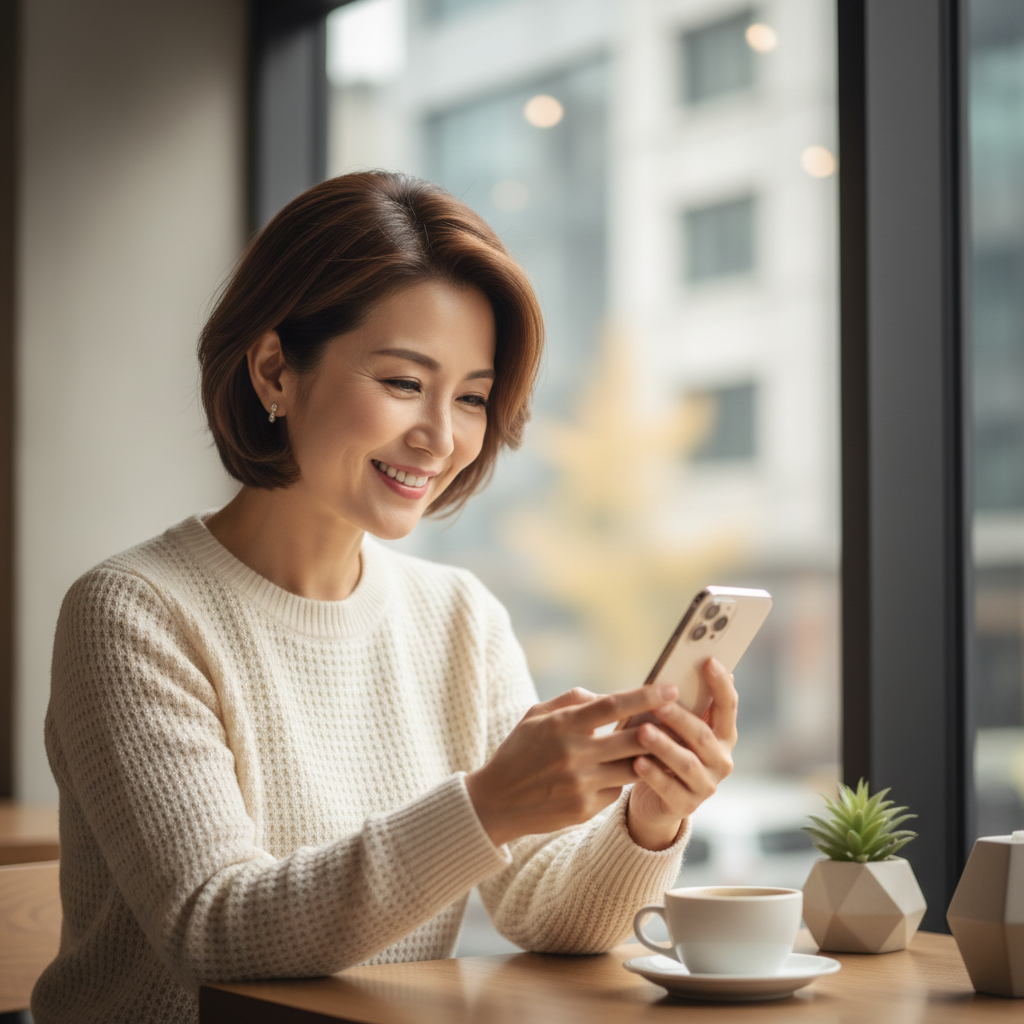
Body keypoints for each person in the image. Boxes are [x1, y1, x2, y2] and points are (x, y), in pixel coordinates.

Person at [31, 171, 738, 1024]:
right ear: (274, 370)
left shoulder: (459, 616)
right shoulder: (133, 613)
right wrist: (487, 805)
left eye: (471, 397)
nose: (441, 438)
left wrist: (648, 820)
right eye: (404, 383)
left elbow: (546, 913)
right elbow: (213, 931)